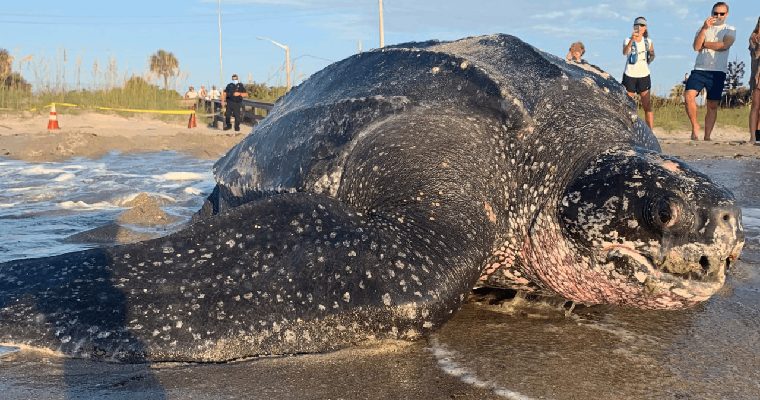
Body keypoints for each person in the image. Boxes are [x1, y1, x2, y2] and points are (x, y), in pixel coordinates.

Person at [684, 2, 736, 141]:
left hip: (718, 71)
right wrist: (704, 29)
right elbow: (696, 47)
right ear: (711, 13)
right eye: (715, 13)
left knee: (712, 105)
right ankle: (695, 126)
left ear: (727, 15)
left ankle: (707, 136)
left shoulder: (730, 29)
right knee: (689, 96)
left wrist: (705, 44)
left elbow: (724, 45)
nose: (718, 16)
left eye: (721, 14)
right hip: (700, 69)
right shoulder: (703, 29)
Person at [622, 16, 655, 129]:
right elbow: (625, 52)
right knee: (627, 104)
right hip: (630, 75)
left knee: (647, 106)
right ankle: (627, 129)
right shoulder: (627, 40)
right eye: (637, 25)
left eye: (641, 25)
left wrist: (647, 62)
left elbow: (652, 54)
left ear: (645, 28)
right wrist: (632, 39)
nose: (639, 27)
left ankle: (651, 132)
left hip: (644, 75)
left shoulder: (648, 41)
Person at [749, 17, 760, 145]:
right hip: (758, 76)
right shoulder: (753, 37)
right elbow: (755, 55)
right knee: (755, 106)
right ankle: (752, 137)